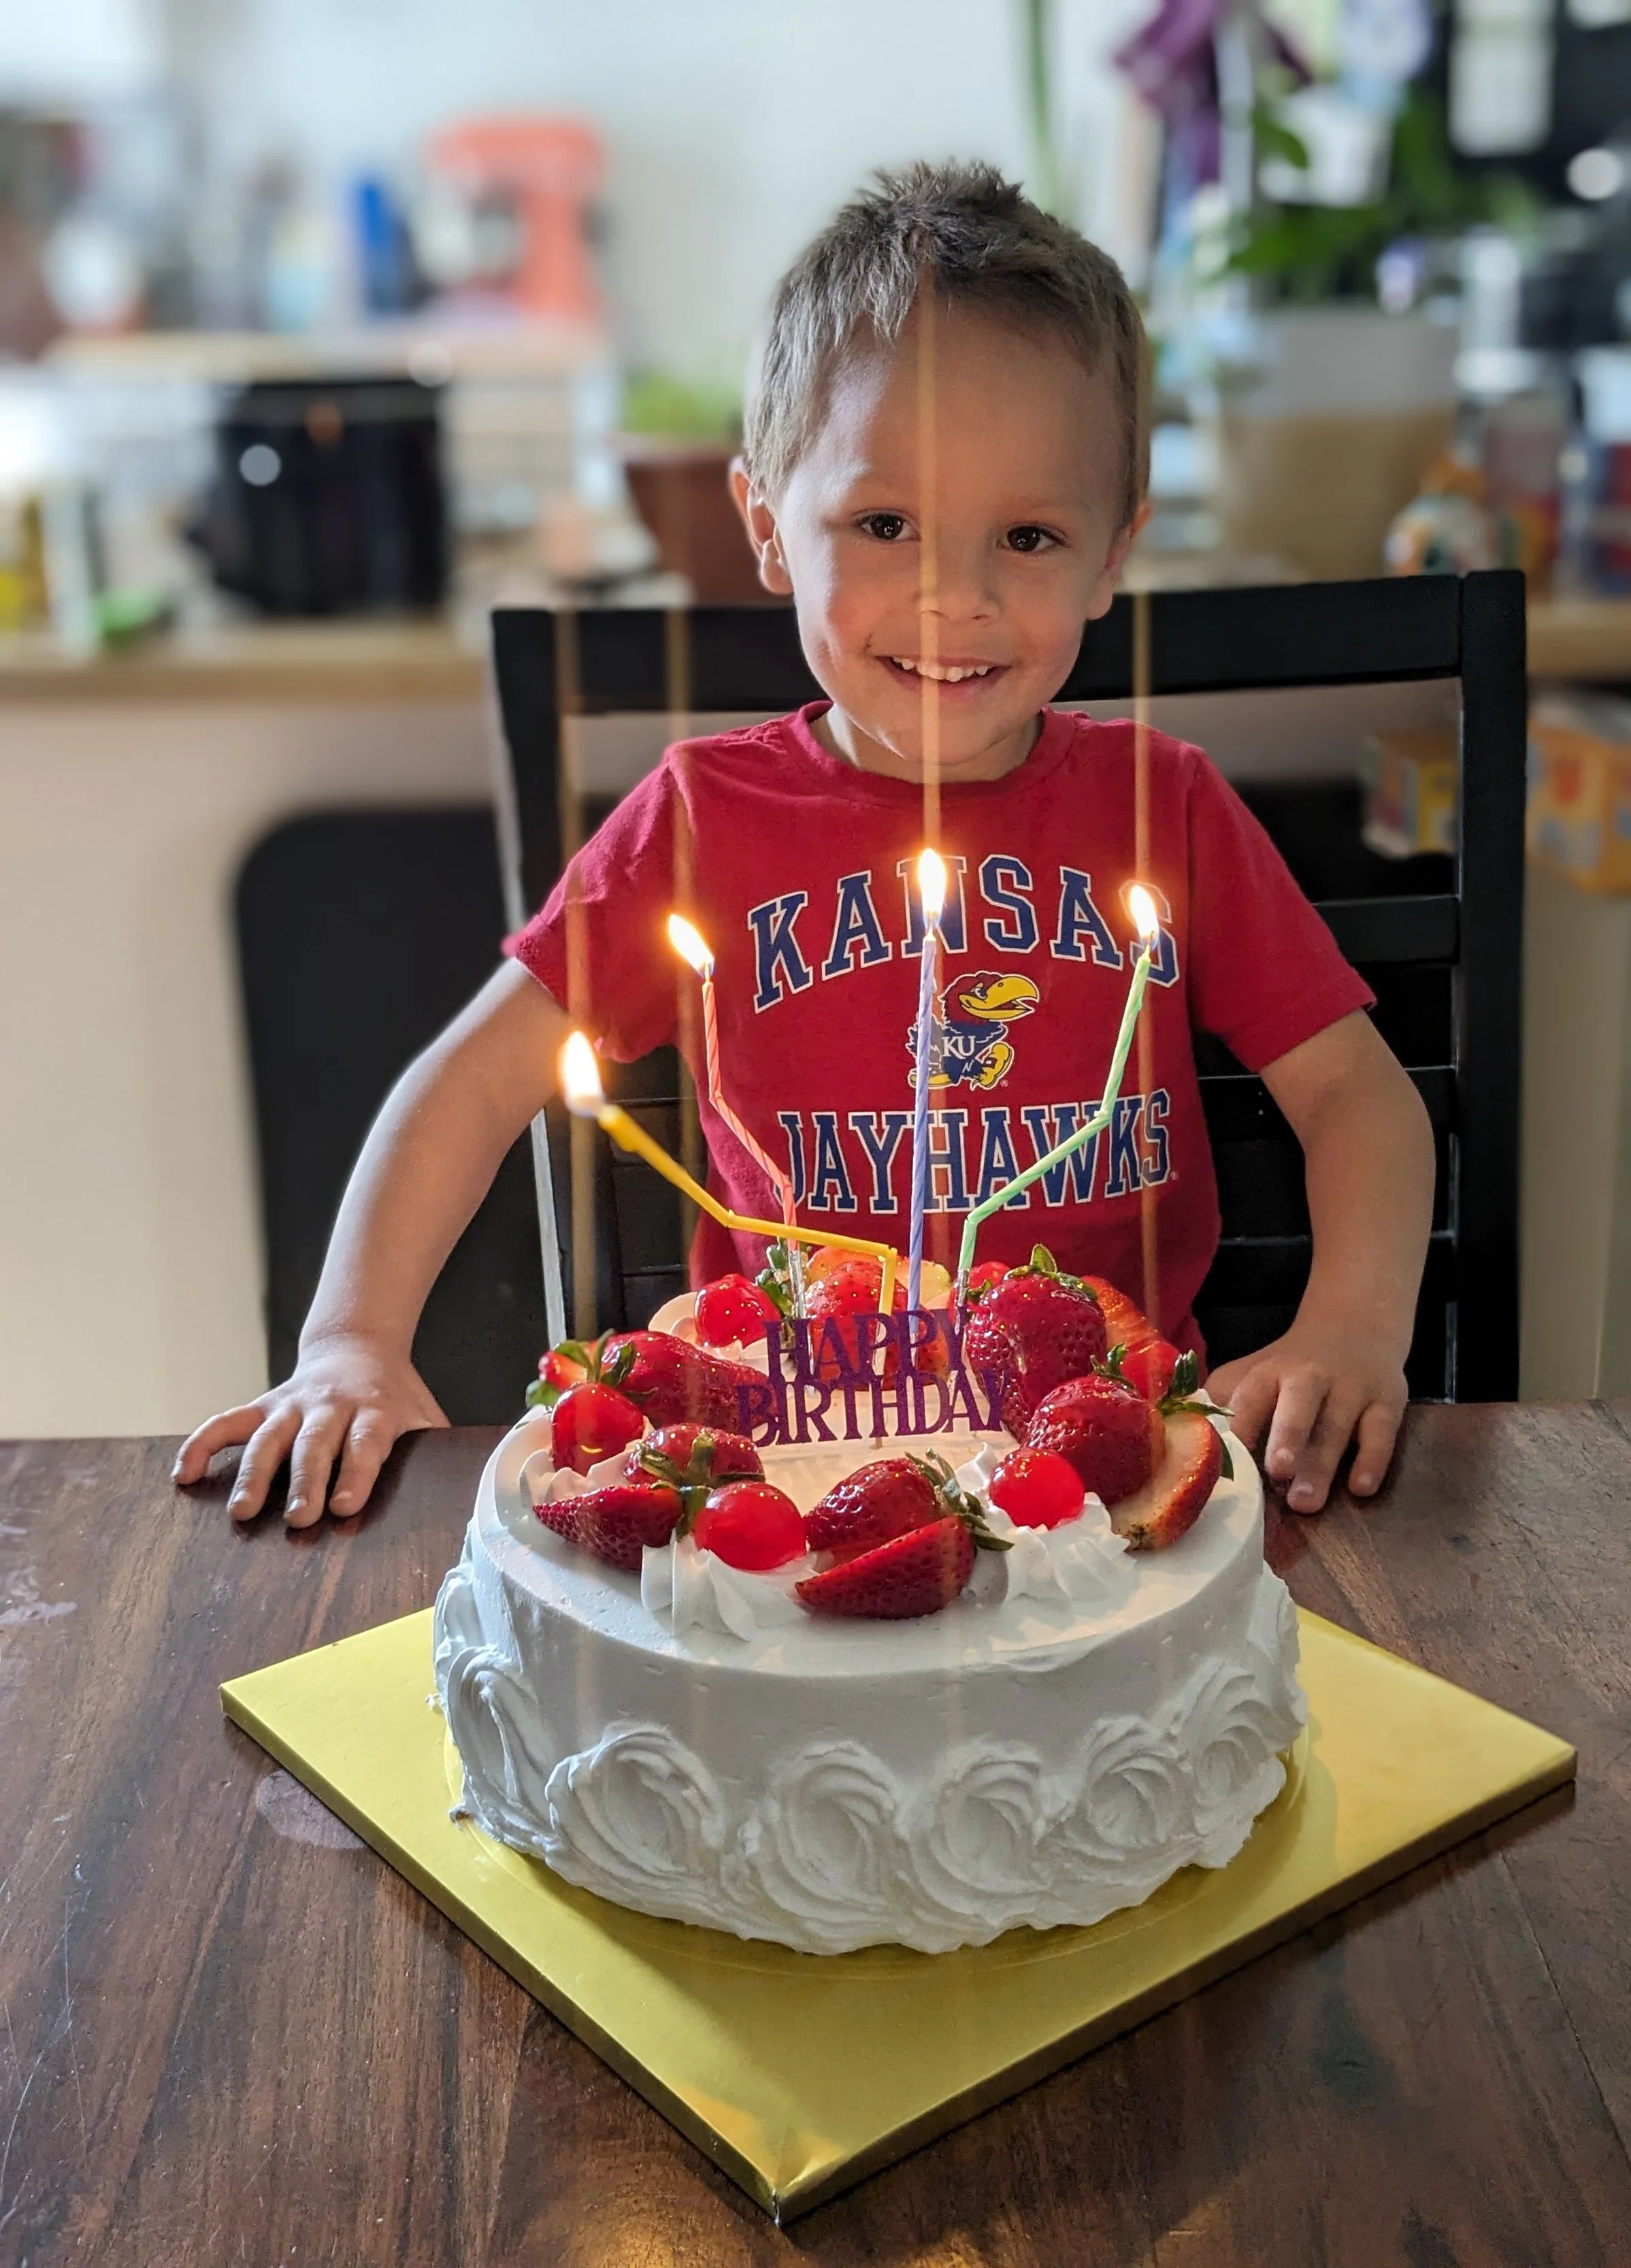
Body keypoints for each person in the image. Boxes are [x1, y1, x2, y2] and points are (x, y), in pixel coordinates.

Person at [176, 161, 1433, 1530]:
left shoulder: (1166, 809)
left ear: (1111, 555)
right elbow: (473, 1082)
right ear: (769, 527)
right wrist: (349, 1342)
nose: (954, 594)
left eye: (1027, 534)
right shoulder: (703, 819)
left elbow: (1357, 1098)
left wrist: (1352, 1328)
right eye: (881, 524)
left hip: (1110, 1479)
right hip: (785, 1481)